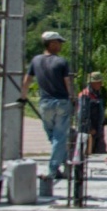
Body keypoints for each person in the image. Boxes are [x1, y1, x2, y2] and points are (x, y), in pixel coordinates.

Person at [21, 31, 74, 180]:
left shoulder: (35, 60)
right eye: (59, 43)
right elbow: (68, 82)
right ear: (51, 44)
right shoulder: (61, 62)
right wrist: (73, 98)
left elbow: (27, 80)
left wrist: (23, 97)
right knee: (59, 137)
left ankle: (63, 163)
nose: (61, 46)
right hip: (61, 102)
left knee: (54, 136)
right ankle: (53, 169)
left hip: (45, 103)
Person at [77, 71, 107, 155]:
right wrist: (89, 128)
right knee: (88, 152)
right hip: (89, 130)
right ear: (92, 83)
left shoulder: (98, 94)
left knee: (100, 151)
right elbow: (83, 113)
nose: (100, 84)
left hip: (98, 129)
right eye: (98, 82)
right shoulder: (85, 95)